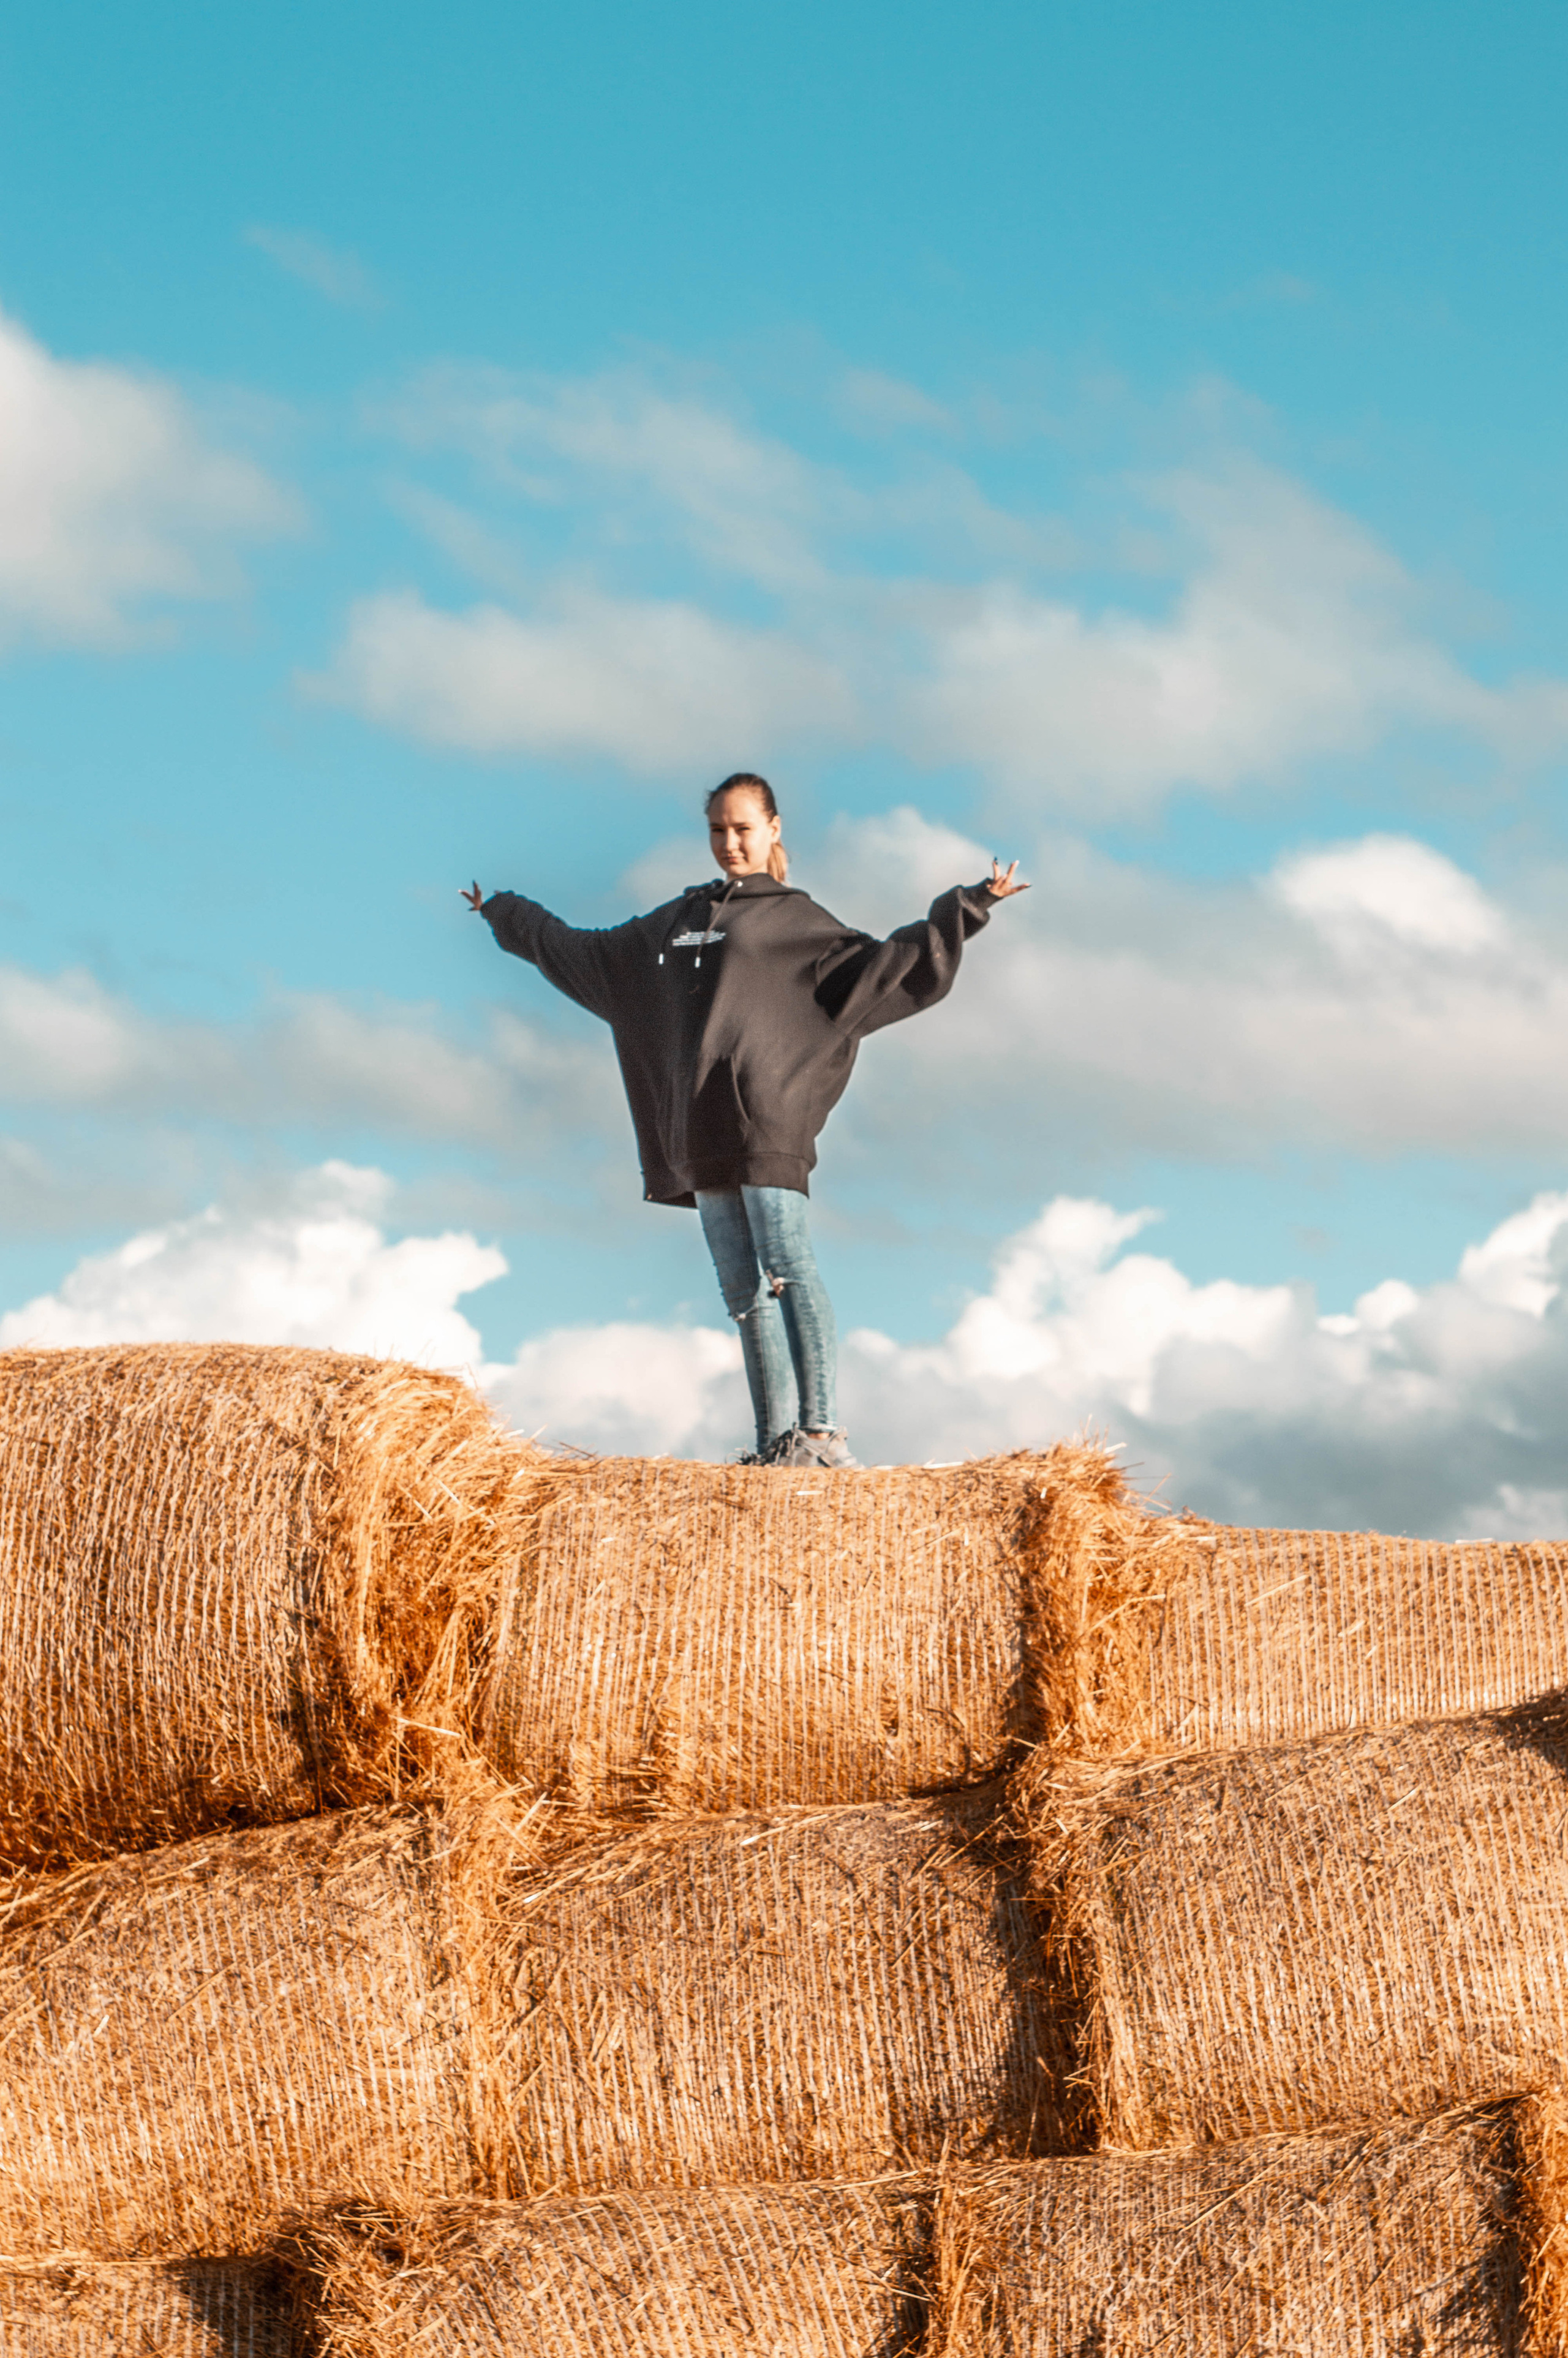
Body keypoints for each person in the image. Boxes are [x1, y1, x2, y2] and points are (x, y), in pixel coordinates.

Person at [464, 773, 1027, 1468]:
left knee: (786, 1265)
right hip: (700, 1125)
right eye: (717, 831)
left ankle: (820, 1434)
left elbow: (885, 967)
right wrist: (505, 914)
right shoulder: (675, 922)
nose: (729, 843)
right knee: (740, 1289)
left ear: (773, 830)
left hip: (766, 1119)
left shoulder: (796, 920)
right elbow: (588, 955)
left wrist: (968, 906)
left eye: (742, 829)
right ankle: (774, 1447)